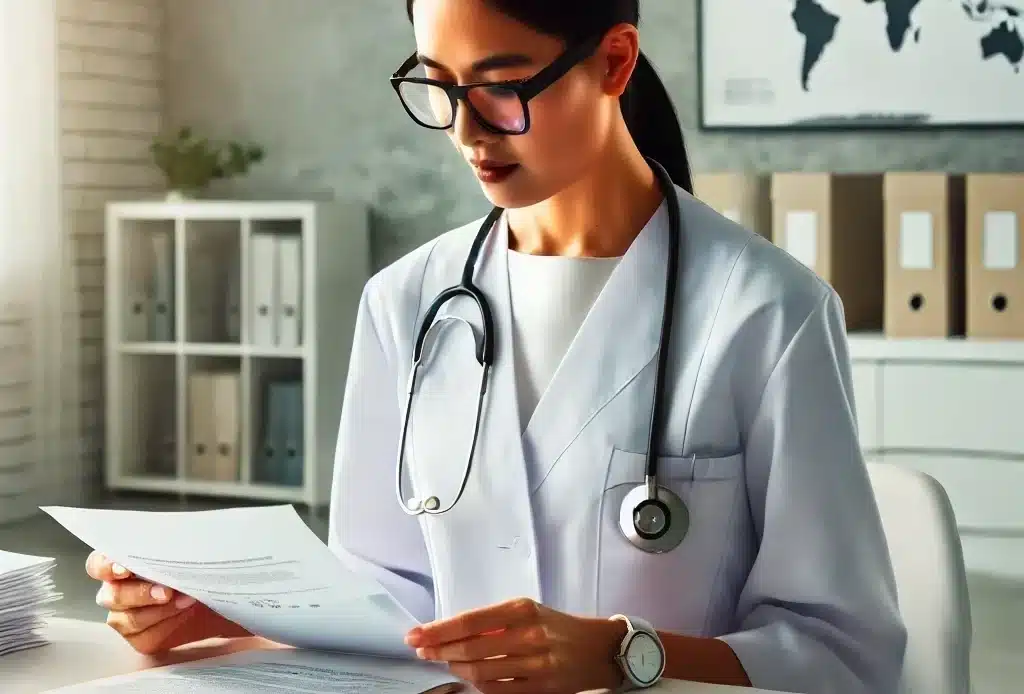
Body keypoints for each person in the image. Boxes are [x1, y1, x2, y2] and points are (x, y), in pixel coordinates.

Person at [87, 1, 908, 692]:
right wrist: (222, 612)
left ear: (615, 61)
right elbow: (386, 593)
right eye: (438, 89)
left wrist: (621, 655)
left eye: (503, 87)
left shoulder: (768, 311)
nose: (467, 131)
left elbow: (846, 652)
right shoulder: (405, 303)